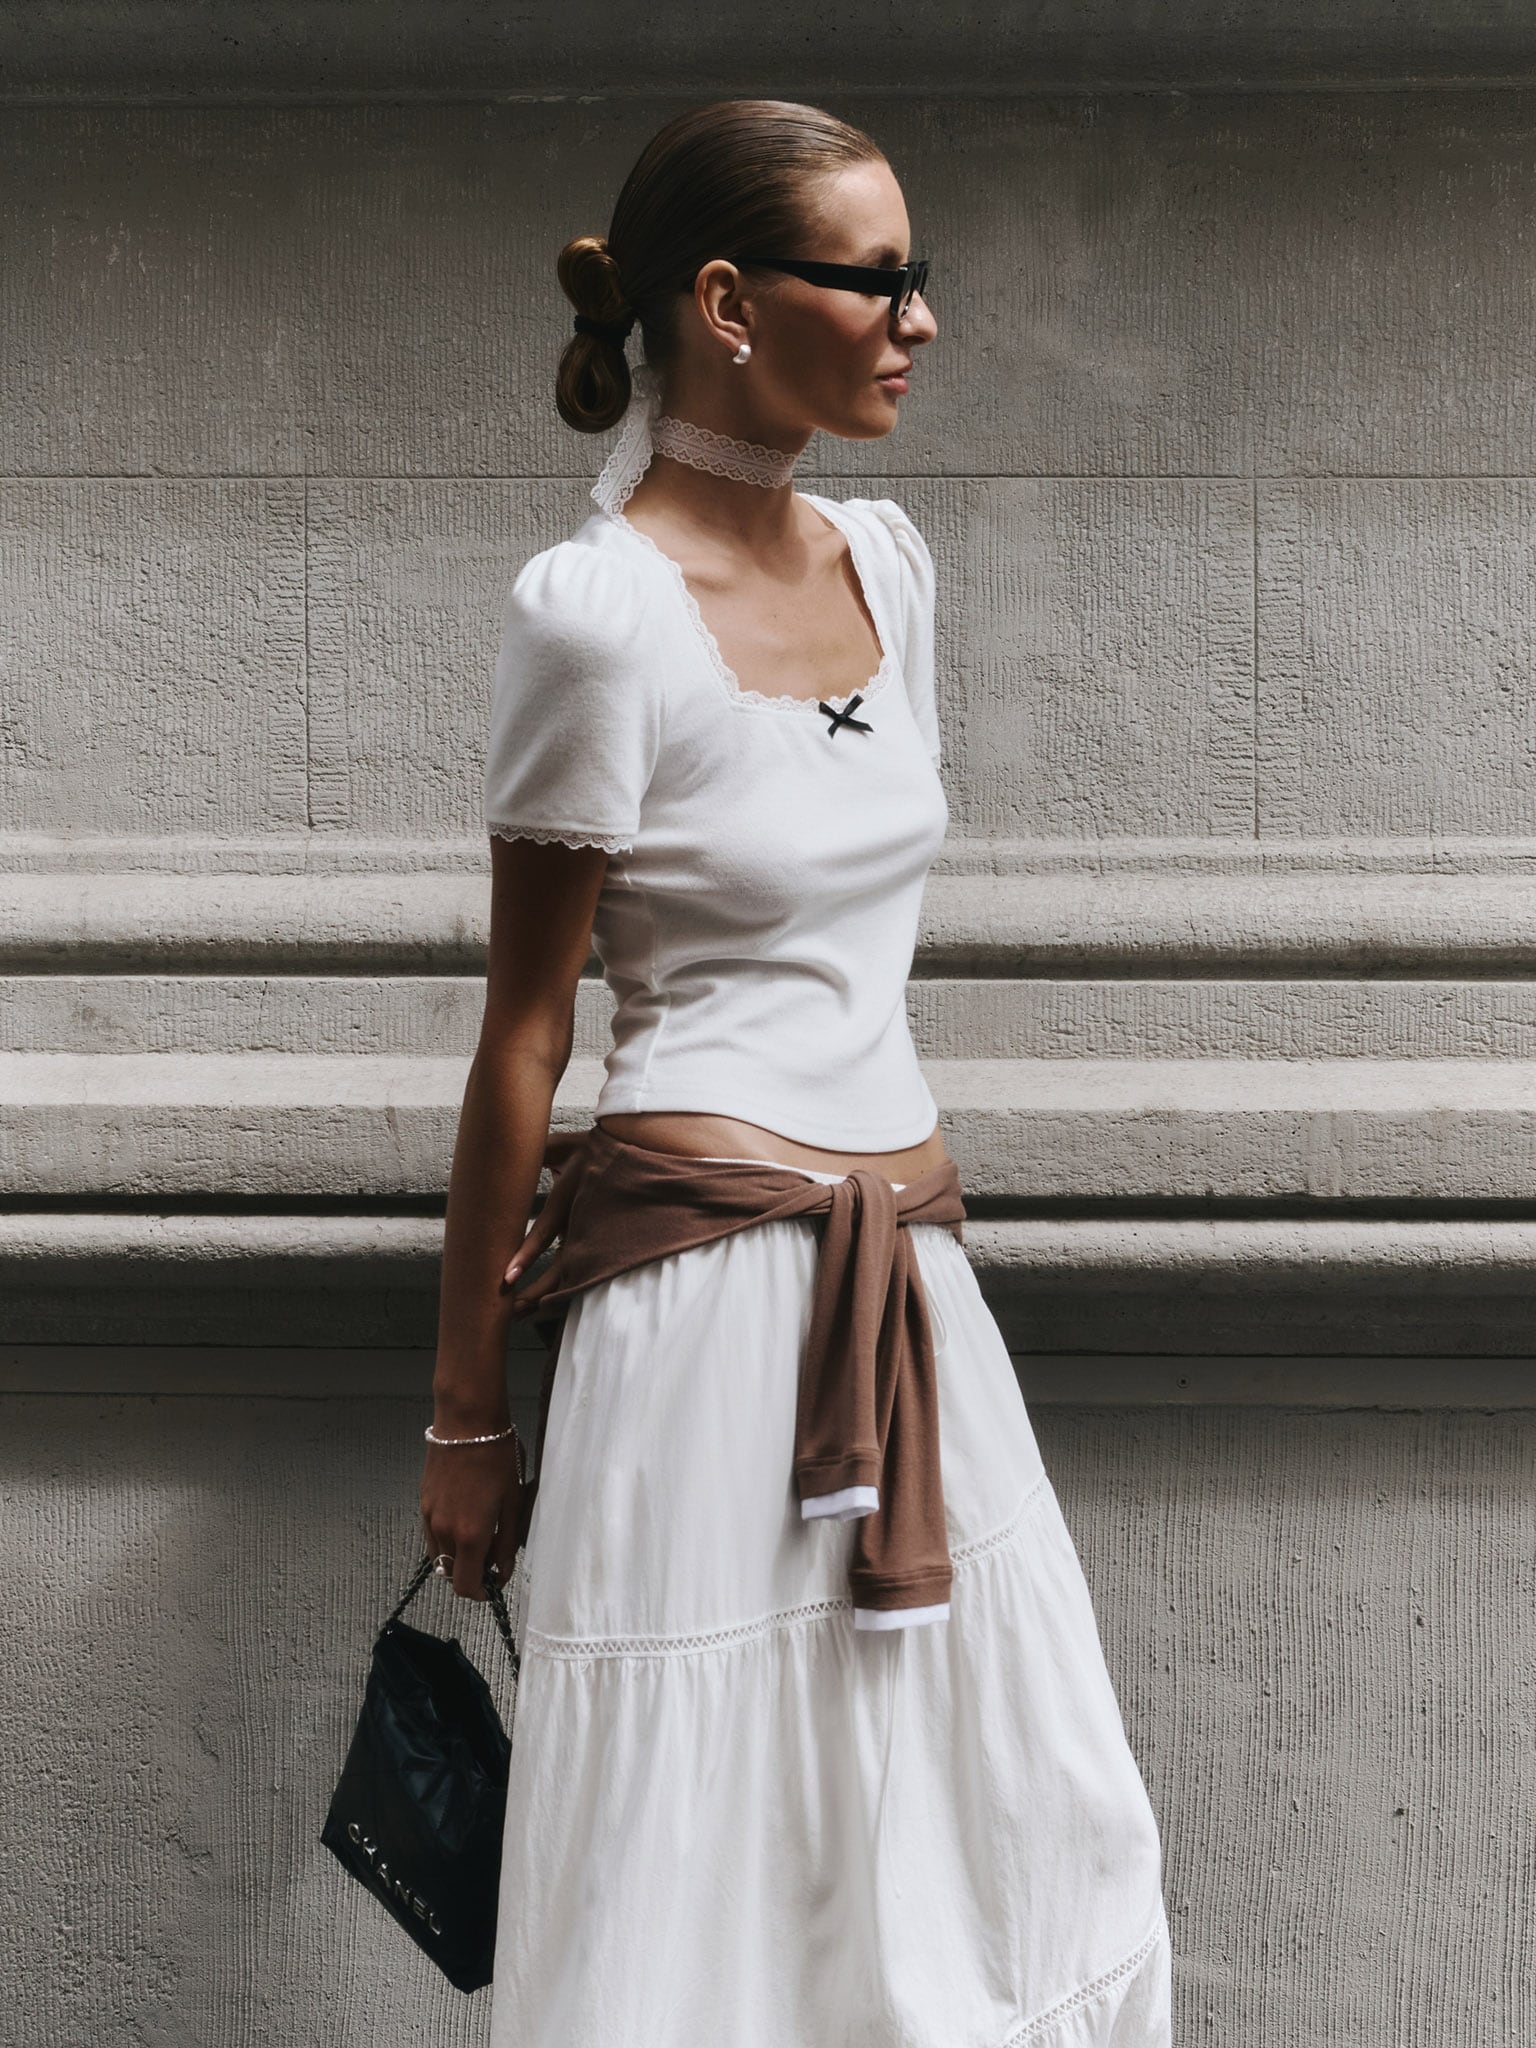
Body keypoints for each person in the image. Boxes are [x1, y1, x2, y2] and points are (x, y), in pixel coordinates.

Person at [420, 96, 1172, 2047]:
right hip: (703, 1319)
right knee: (715, 1870)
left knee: (993, 1830)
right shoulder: (592, 621)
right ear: (734, 303)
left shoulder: (889, 568)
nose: (919, 316)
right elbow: (524, 1037)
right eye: (878, 276)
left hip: (911, 1294)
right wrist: (466, 1418)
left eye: (921, 275)